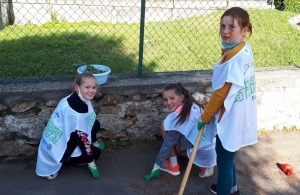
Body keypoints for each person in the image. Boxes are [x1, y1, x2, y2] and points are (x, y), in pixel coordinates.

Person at [197, 7, 258, 195]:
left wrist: (205, 117)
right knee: (228, 156)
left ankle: (225, 190)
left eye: (232, 27)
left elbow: (220, 94)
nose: (225, 31)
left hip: (231, 117)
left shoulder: (234, 59)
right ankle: (232, 189)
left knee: (223, 161)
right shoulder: (244, 49)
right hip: (241, 115)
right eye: (223, 26)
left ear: (244, 30)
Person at [36, 72, 105, 180]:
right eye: (87, 87)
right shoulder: (77, 113)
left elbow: (87, 124)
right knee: (96, 153)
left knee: (95, 123)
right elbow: (82, 139)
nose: (92, 91)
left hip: (63, 135)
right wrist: (91, 161)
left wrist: (93, 140)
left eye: (94, 87)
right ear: (77, 87)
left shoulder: (73, 98)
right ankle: (67, 161)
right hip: (59, 150)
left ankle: (92, 145)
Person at [144, 83, 216, 181]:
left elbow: (168, 143)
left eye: (172, 98)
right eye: (165, 99)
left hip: (200, 149)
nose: (168, 102)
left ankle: (173, 166)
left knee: (164, 125)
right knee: (178, 137)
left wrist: (157, 164)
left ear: (181, 97)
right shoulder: (191, 104)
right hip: (212, 147)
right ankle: (205, 165)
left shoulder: (179, 117)